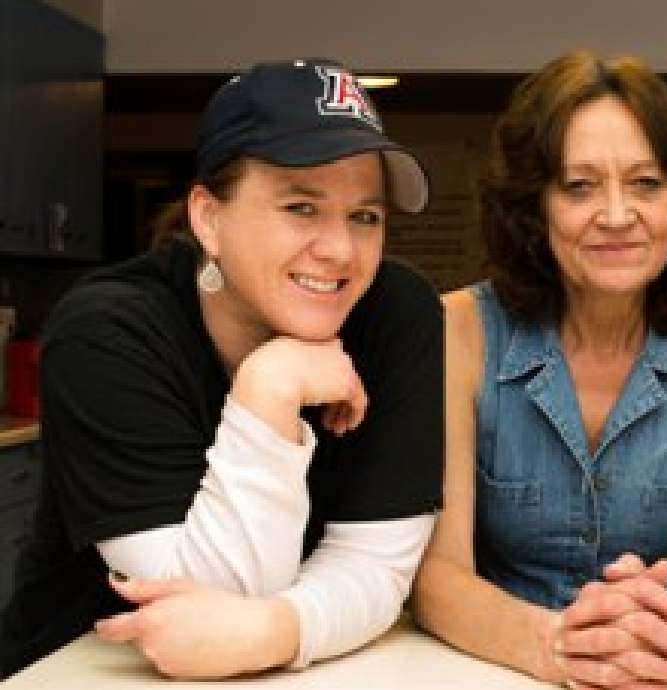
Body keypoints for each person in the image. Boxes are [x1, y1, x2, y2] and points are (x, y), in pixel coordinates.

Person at [0, 59, 443, 679]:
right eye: (300, 207)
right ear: (208, 217)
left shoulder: (398, 313)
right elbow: (201, 604)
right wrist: (267, 394)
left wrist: (277, 631)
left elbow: (376, 565)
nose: (341, 250)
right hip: (85, 666)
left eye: (365, 216)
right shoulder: (108, 333)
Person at [411, 51, 667, 688]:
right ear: (535, 207)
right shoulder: (458, 333)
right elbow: (435, 573)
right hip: (500, 671)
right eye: (579, 186)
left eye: (646, 183)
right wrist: (554, 644)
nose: (617, 216)